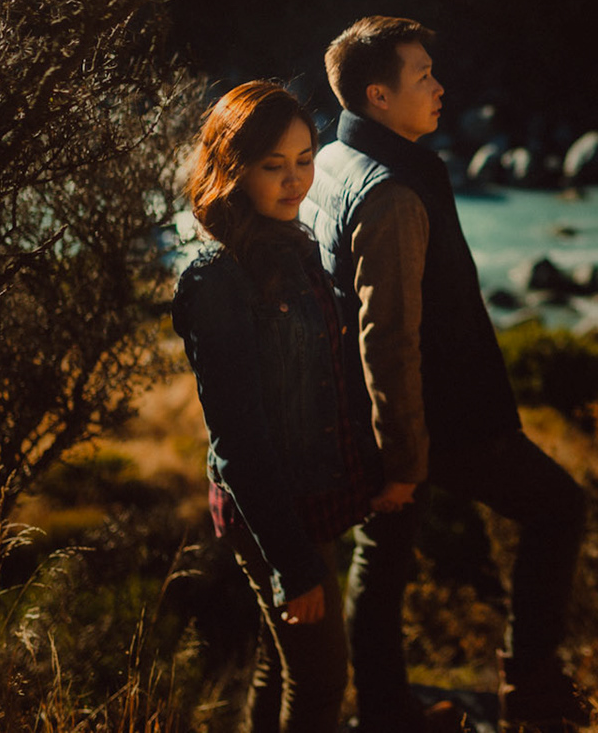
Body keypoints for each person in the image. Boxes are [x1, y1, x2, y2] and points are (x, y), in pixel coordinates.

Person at [306, 17, 588, 732]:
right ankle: (532, 687)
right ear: (378, 95)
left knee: (382, 559)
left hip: (380, 411)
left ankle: (383, 712)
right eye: (423, 76)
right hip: (439, 418)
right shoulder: (392, 191)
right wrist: (404, 457)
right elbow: (389, 335)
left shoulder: (334, 157)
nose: (441, 87)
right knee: (558, 507)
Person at [172, 81, 410, 733]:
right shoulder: (216, 276)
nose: (295, 180)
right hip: (273, 512)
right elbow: (239, 442)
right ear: (231, 167)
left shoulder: (291, 240)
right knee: (321, 676)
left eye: (305, 159)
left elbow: (324, 378)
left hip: (315, 497)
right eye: (273, 165)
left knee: (283, 665)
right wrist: (292, 562)